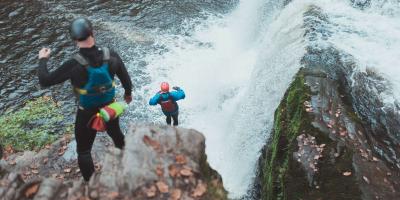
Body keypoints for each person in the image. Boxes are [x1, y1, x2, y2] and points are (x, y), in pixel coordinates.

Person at [37, 17, 133, 181]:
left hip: (87, 112)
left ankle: (91, 185)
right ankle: (128, 166)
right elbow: (126, 79)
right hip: (110, 107)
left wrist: (42, 59)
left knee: (83, 150)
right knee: (116, 134)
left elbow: (45, 80)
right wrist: (127, 94)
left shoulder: (74, 64)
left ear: (74, 39)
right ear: (92, 32)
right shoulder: (111, 55)